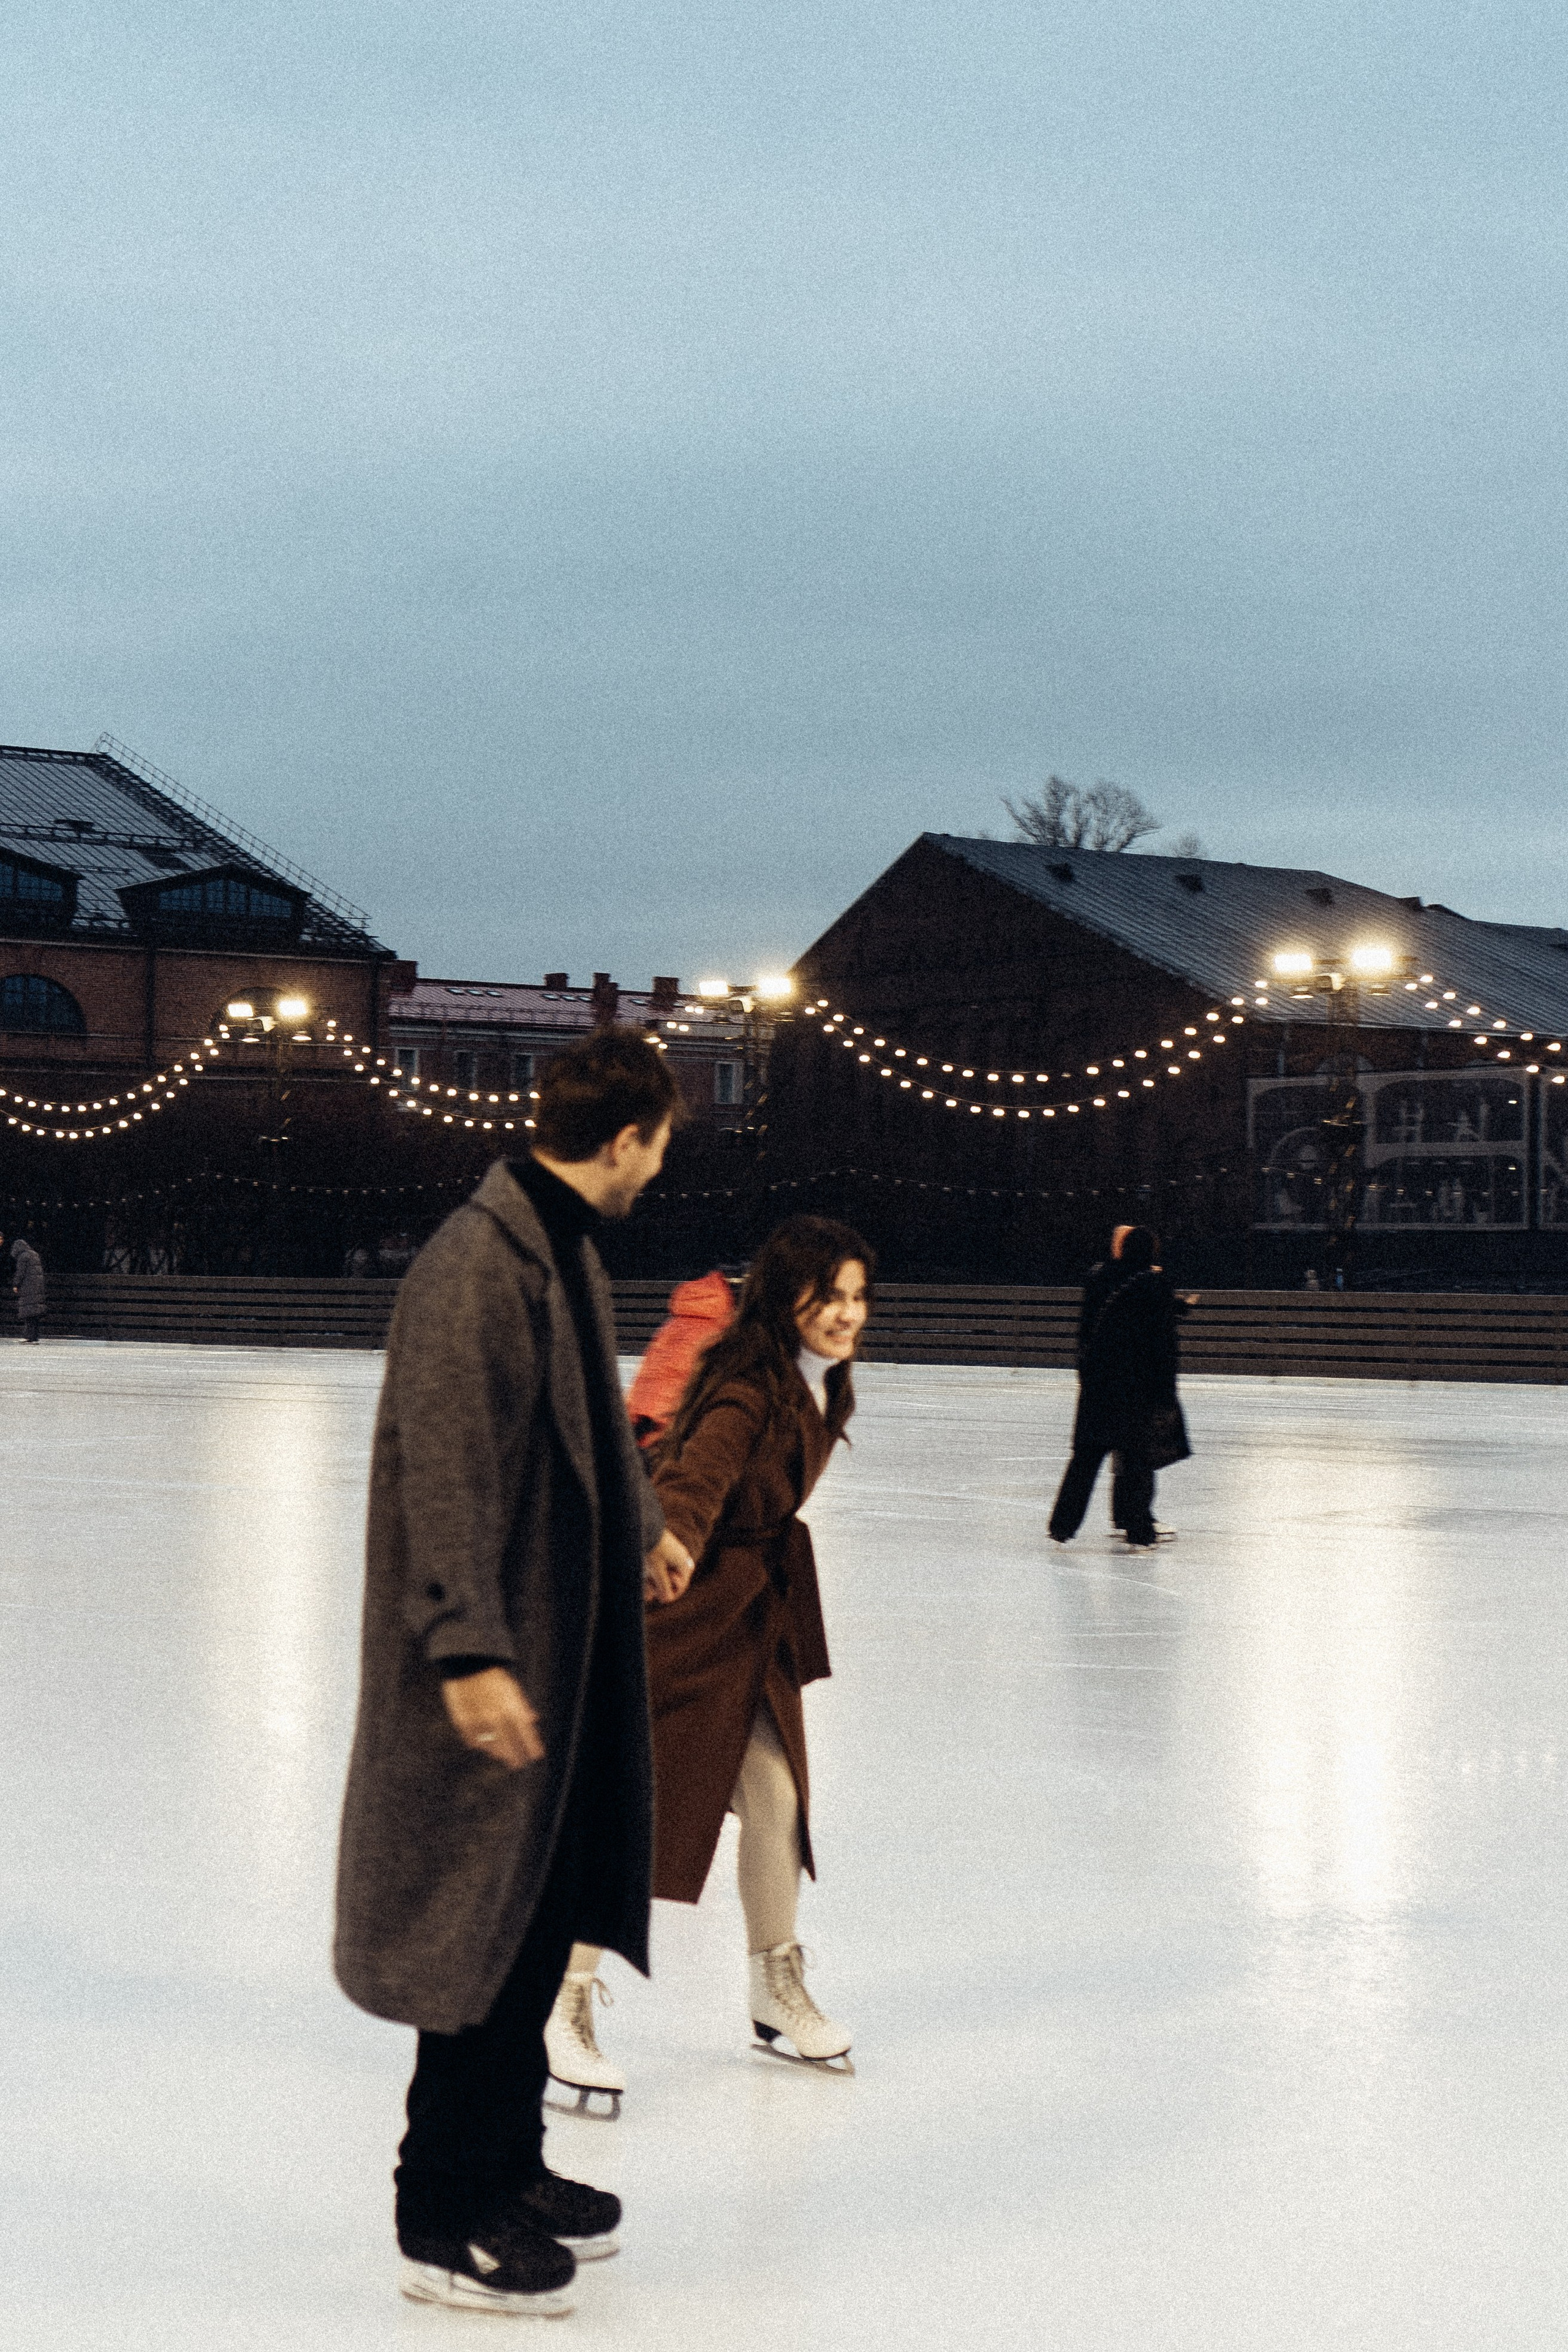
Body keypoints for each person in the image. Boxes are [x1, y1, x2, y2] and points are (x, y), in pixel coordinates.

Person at [333, 1030, 696, 2318]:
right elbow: (445, 1467)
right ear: (625, 1141)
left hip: (561, 1639)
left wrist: (644, 1526)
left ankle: (513, 2164)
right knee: (475, 1935)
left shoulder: (558, 1251)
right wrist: (468, 1651)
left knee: (541, 1918)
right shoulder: (475, 1265)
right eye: (659, 1147)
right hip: (494, 1652)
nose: (659, 1170)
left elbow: (591, 1423)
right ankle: (441, 2213)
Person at [548, 1216, 870, 2099]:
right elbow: (691, 1479)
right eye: (828, 1296)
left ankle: (775, 1984)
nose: (847, 1315)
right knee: (641, 1809)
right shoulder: (747, 1387)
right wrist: (675, 1543)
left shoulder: (820, 1384)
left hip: (754, 1616)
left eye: (856, 1297)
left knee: (777, 1796)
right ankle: (561, 1996)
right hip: (685, 1615)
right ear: (785, 1296)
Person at [1049, 1226, 1191, 1550]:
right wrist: (1166, 1391)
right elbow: (1162, 1344)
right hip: (1136, 1387)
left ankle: (1061, 1526)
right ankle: (1138, 1531)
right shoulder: (1154, 1283)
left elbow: (1085, 1330)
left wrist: (1085, 1373)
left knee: (1085, 1459)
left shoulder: (1098, 1278)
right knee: (1136, 1461)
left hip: (1098, 1385)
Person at [624, 1268, 736, 1450]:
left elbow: (649, 1375)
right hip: (669, 1429)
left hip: (640, 1422)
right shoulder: (717, 1335)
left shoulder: (670, 1327)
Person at [10, 1235, 45, 1342]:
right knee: (35, 1314)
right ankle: (34, 1337)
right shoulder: (34, 1255)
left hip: (28, 1288)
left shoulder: (23, 1257)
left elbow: (20, 1272)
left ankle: (28, 1336)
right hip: (38, 1288)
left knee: (28, 1313)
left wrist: (16, 1284)